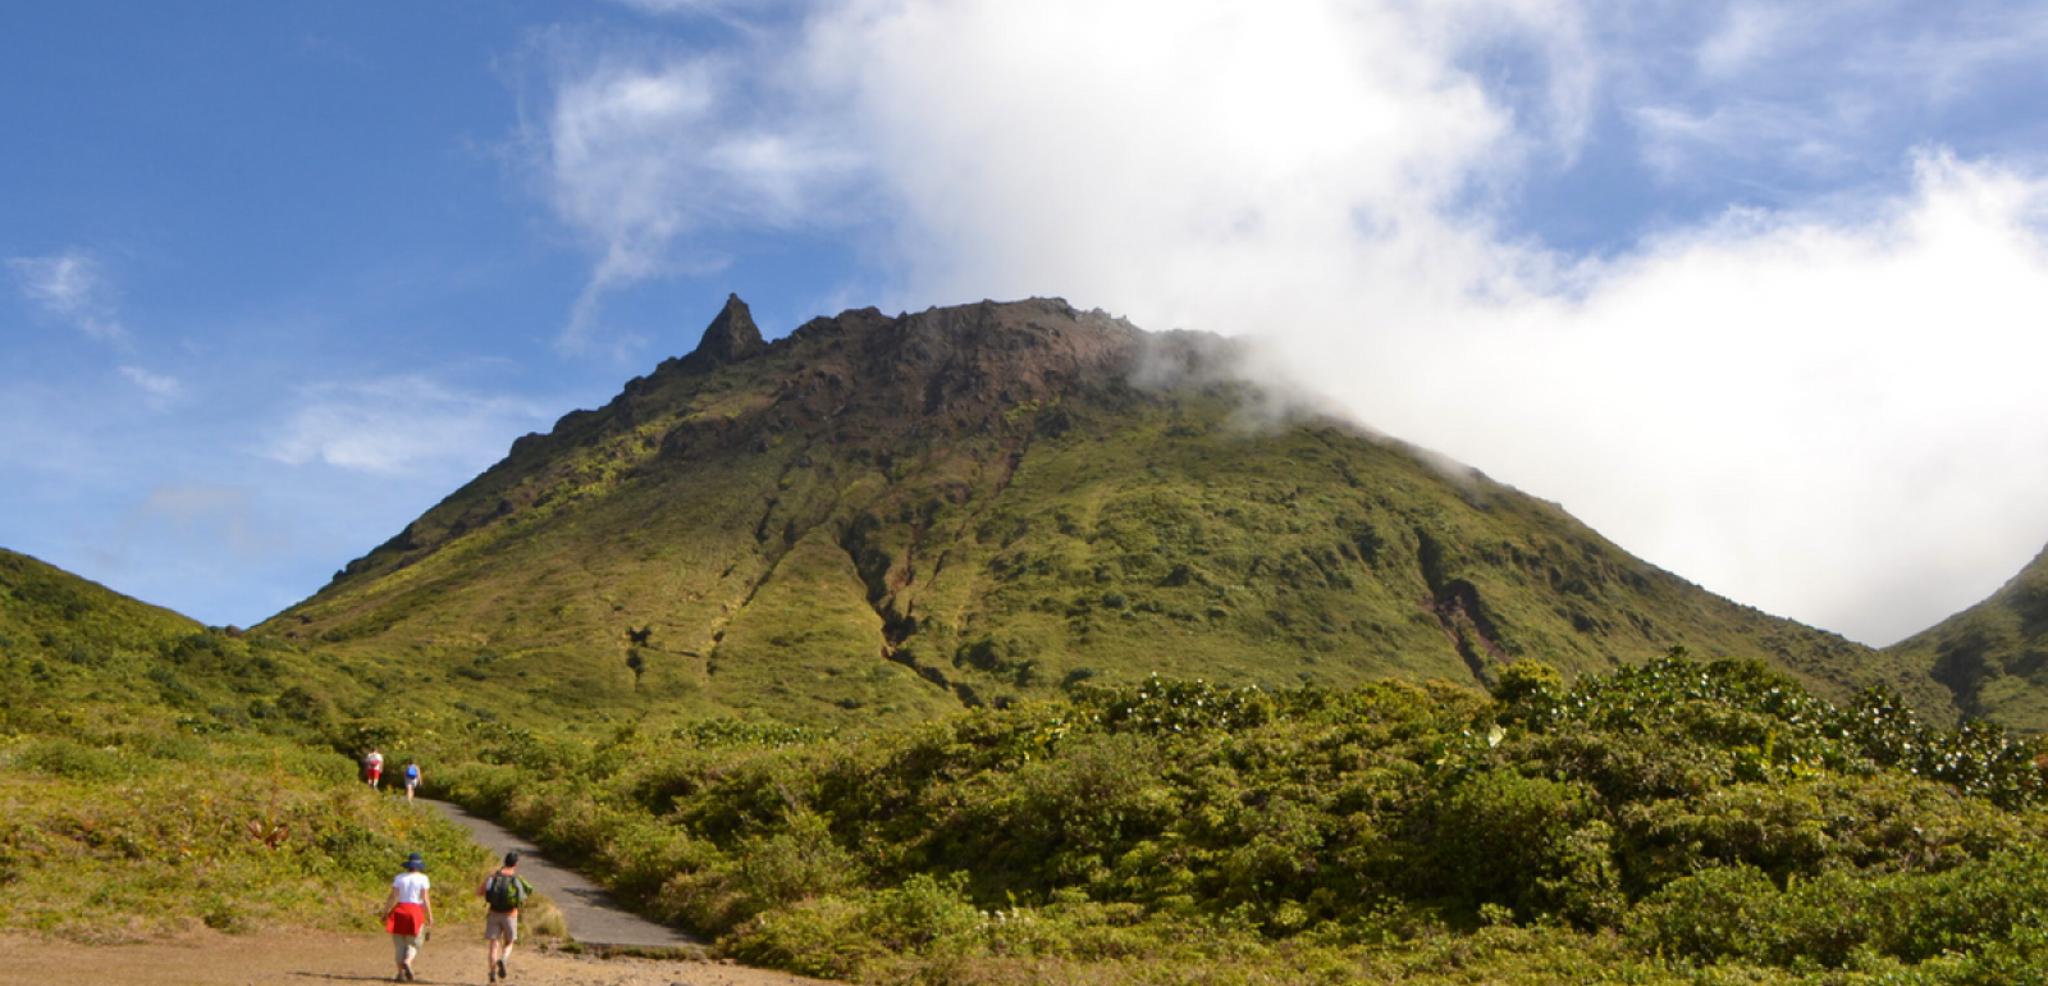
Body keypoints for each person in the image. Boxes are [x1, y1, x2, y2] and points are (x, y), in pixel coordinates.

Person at [477, 852, 536, 984]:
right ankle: (503, 958)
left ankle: (492, 974)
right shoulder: (518, 878)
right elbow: (530, 890)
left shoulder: (493, 876)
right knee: (509, 942)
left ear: (504, 861)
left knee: (493, 945)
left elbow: (479, 892)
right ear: (516, 864)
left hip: (494, 913)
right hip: (511, 914)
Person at [380, 852, 434, 981]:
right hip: (415, 910)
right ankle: (408, 961)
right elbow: (425, 898)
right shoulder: (423, 879)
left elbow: (393, 896)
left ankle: (400, 974)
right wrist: (430, 916)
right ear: (419, 866)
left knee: (399, 944)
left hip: (400, 909)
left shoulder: (399, 877)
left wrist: (385, 912)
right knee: (414, 943)